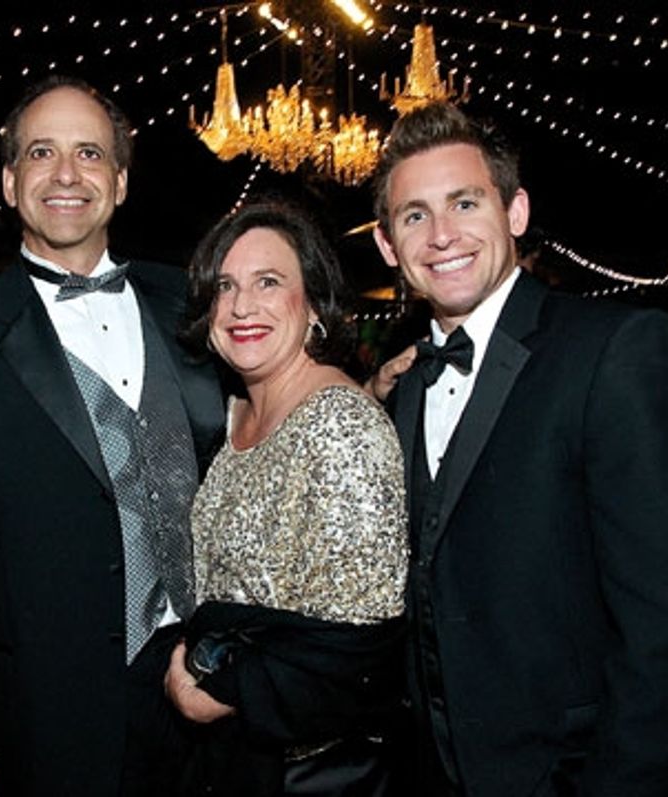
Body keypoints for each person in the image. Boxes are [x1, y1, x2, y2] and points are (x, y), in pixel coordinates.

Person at [369, 101, 668, 794]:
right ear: (389, 246)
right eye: (414, 215)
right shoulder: (409, 385)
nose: (442, 235)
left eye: (465, 203)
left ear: (515, 212)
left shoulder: (620, 351)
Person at [0, 75, 224, 797]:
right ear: (10, 181)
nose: (66, 174)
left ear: (119, 181)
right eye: (42, 152)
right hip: (44, 715)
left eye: (89, 153)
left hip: (207, 693)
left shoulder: (193, 307)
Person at [163, 201, 409, 796]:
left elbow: (357, 645)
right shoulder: (234, 415)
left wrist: (215, 695)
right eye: (225, 286)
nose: (242, 306)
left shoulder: (343, 426)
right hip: (241, 759)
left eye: (269, 282)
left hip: (316, 773)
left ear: (314, 305)